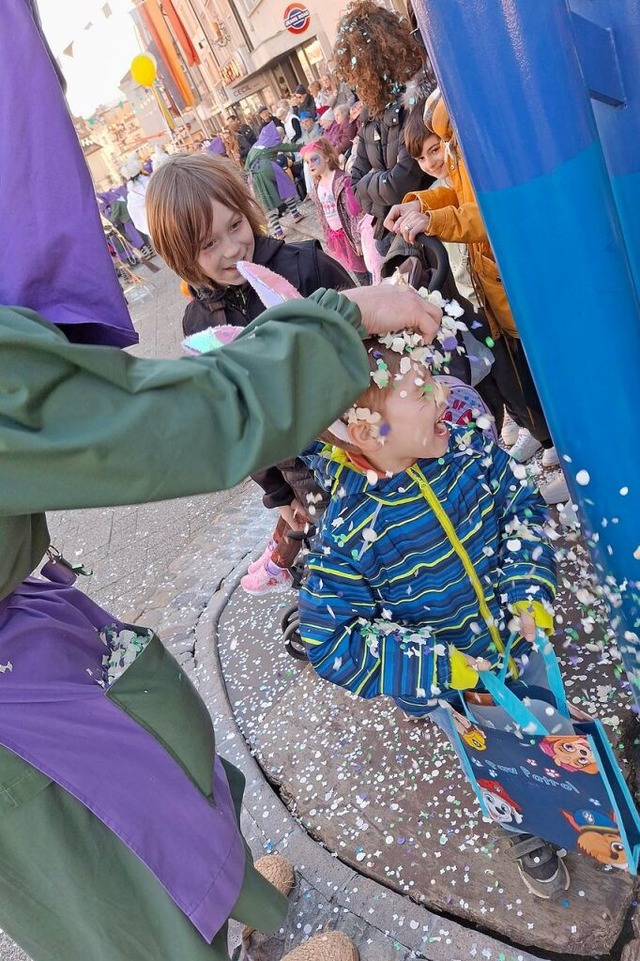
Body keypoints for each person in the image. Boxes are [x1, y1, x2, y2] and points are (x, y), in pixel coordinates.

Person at [0, 1, 438, 957]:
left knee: (161, 767)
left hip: (23, 636)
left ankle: (236, 905)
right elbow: (175, 423)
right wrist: (345, 322)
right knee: (112, 864)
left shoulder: (283, 265)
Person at [299, 333, 572, 901]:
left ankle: (572, 795)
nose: (442, 395)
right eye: (420, 391)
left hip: (518, 639)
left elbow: (519, 505)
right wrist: (438, 666)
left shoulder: (469, 451)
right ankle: (524, 829)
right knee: (495, 754)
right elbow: (329, 640)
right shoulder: (350, 532)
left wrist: (526, 587)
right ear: (364, 429)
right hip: (457, 685)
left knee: (550, 726)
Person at [146, 151, 354, 593]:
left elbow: (364, 331)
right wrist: (279, 495)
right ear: (182, 256)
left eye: (235, 225)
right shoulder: (200, 325)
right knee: (350, 549)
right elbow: (235, 421)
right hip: (299, 467)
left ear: (247, 209)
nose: (231, 248)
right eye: (208, 244)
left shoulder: (305, 265)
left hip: (366, 436)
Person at [385, 89, 568, 504]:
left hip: (524, 288)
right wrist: (415, 202)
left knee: (553, 379)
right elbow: (457, 192)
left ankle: (577, 463)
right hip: (505, 294)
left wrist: (432, 218)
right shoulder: (464, 145)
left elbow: (487, 211)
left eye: (442, 144)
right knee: (531, 377)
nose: (439, 156)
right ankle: (560, 447)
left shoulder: (483, 145)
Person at [333, 0, 435, 254]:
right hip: (394, 236)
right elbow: (353, 184)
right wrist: (380, 186)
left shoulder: (414, 102)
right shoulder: (370, 115)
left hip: (426, 235)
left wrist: (372, 183)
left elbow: (400, 185)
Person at [301, 138, 369, 285]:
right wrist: (327, 236)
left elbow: (353, 212)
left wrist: (357, 239)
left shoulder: (341, 180)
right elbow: (321, 213)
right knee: (353, 269)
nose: (310, 165)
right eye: (307, 162)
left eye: (314, 159)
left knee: (364, 268)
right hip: (336, 236)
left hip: (350, 234)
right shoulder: (317, 185)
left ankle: (373, 289)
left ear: (326, 157)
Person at [244, 122, 303, 239]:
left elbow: (246, 167)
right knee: (284, 189)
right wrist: (303, 146)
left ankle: (278, 231)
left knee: (267, 200)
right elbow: (288, 147)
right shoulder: (271, 143)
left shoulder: (255, 146)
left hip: (256, 175)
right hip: (271, 168)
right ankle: (295, 214)